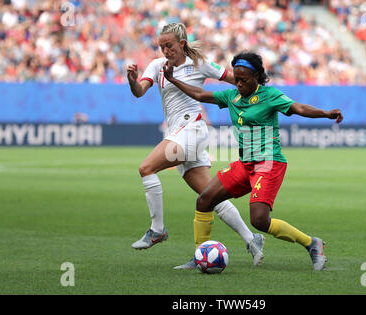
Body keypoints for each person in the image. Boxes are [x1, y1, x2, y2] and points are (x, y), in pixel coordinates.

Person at [163, 51, 343, 270]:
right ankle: (200, 255)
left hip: (268, 163)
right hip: (245, 164)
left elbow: (299, 108)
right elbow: (200, 95)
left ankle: (312, 243)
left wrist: (325, 113)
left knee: (259, 220)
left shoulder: (270, 96)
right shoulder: (232, 97)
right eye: (236, 79)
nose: (238, 84)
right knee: (204, 200)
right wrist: (172, 79)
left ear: (256, 77)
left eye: (244, 80)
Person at [126, 23, 264, 269]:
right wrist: (131, 80)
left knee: (146, 169)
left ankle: (157, 230)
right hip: (178, 133)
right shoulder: (157, 66)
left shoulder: (199, 63)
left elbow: (235, 79)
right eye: (161, 46)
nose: (165, 50)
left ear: (181, 43)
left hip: (193, 130)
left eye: (168, 46)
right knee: (210, 196)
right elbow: (139, 92)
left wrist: (258, 96)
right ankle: (252, 239)